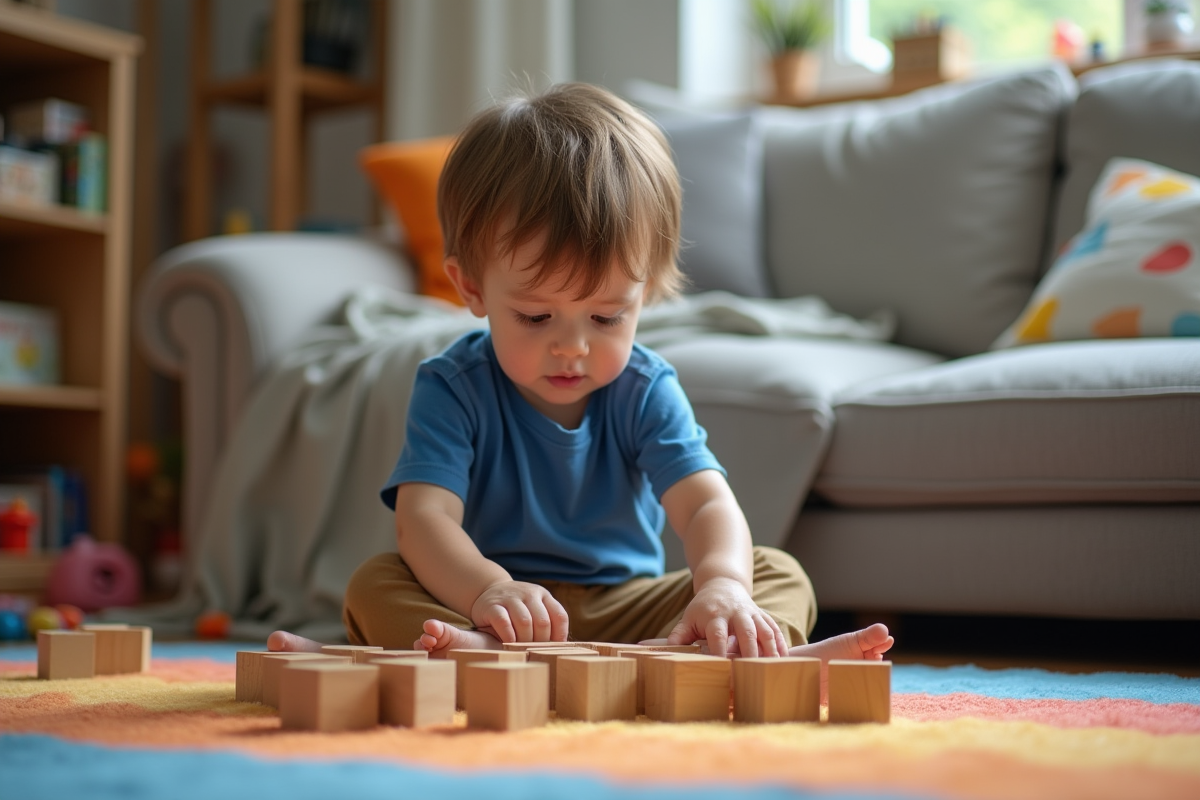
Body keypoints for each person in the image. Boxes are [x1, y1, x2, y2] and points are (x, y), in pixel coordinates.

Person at [270, 83, 892, 666]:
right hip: (496, 608)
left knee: (774, 570)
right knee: (375, 582)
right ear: (471, 287)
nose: (572, 348)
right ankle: (483, 651)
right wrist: (491, 590)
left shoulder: (645, 388)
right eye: (537, 317)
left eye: (605, 316)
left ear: (645, 294)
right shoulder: (452, 386)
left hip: (626, 605)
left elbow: (704, 502)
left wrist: (724, 588)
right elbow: (425, 519)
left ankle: (741, 652)